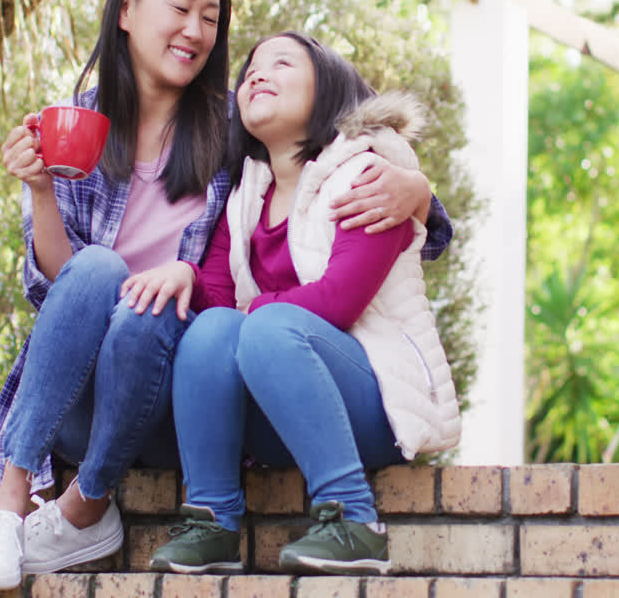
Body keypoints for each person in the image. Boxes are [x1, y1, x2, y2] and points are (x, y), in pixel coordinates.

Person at [0, 0, 453, 591]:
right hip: (94, 389)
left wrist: (418, 191)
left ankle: (92, 504)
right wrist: (43, 190)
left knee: (185, 318)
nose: (196, 31)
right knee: (103, 272)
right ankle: (14, 504)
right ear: (127, 9)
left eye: (211, 19)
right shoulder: (81, 127)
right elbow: (57, 289)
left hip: (181, 386)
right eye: (180, 8)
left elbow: (356, 191)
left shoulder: (231, 138)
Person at [130, 32, 461, 576]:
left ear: (327, 85)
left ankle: (355, 521)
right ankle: (212, 521)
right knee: (212, 328)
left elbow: (337, 301)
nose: (256, 75)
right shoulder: (245, 197)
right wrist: (182, 273)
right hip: (282, 406)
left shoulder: (369, 173)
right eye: (250, 70)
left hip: (377, 400)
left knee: (267, 324)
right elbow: (217, 299)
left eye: (281, 63)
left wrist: (255, 316)